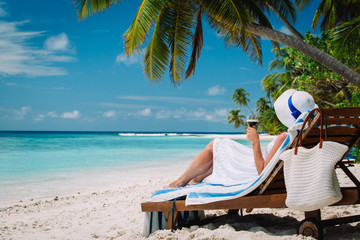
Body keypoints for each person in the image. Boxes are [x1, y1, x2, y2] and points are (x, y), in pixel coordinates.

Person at [169, 89, 317, 188]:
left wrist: (255, 142)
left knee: (217, 144)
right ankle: (196, 179)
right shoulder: (306, 136)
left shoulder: (285, 137)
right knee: (221, 151)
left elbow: (262, 172)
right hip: (270, 171)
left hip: (254, 172)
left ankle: (181, 181)